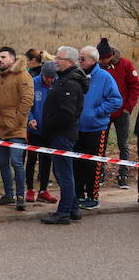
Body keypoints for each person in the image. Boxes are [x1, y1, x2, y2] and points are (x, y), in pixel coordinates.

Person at [41, 47, 89, 224]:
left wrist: (48, 125)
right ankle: (74, 208)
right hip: (58, 134)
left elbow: (66, 113)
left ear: (70, 62)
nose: (55, 61)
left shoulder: (70, 83)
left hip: (63, 134)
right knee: (61, 172)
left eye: (59, 59)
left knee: (64, 174)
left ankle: (64, 212)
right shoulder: (63, 79)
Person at [74, 45, 122, 209]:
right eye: (79, 58)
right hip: (76, 128)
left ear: (93, 60)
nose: (79, 61)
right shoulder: (77, 75)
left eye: (83, 59)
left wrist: (96, 112)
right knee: (77, 162)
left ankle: (92, 197)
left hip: (96, 128)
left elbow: (116, 100)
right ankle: (78, 194)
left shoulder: (104, 77)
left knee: (93, 164)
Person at [0, 47, 33, 211]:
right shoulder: (0, 77)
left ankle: (21, 195)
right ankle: (8, 194)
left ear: (12, 59)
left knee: (16, 162)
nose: (0, 60)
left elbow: (27, 100)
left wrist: (18, 120)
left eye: (4, 57)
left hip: (15, 129)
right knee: (3, 163)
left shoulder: (22, 75)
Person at [97, 37, 139, 189]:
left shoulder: (126, 64)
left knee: (123, 144)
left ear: (110, 55)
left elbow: (135, 86)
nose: (101, 62)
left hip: (122, 111)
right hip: (103, 112)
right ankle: (99, 173)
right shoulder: (98, 66)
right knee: (101, 143)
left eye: (103, 59)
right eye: (99, 59)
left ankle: (123, 175)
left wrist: (129, 107)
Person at [26, 62, 58, 203]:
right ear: (42, 74)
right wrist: (30, 119)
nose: (49, 80)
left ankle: (43, 190)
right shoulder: (33, 83)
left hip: (50, 130)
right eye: (47, 77)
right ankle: (30, 190)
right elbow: (27, 105)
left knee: (46, 160)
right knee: (32, 159)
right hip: (34, 130)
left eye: (52, 77)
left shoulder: (57, 84)